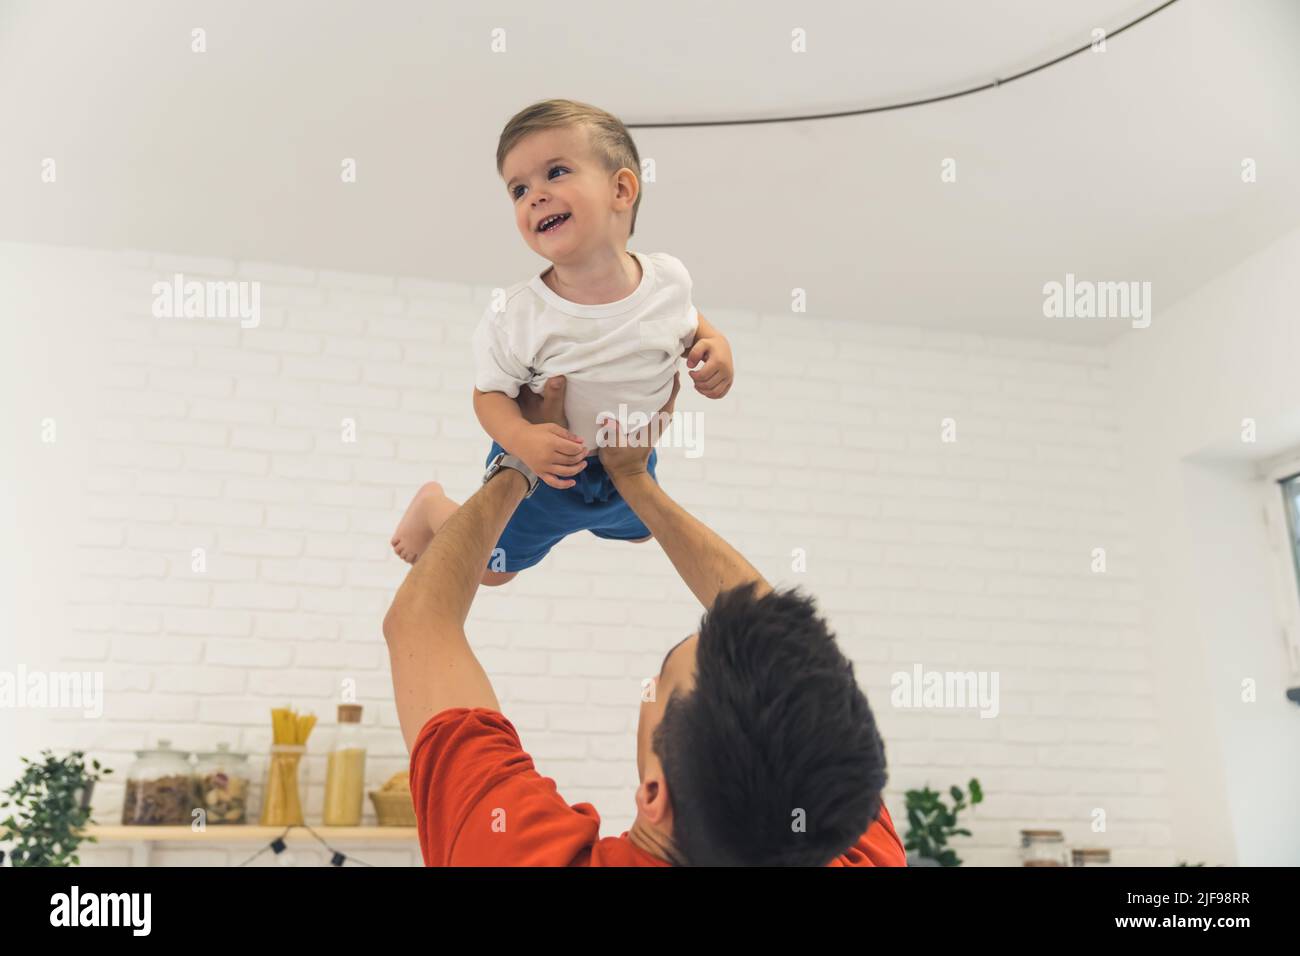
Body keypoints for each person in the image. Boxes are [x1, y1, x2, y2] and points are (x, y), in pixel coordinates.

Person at [382, 376, 904, 866]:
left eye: (657, 686)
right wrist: (633, 480)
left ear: (655, 791)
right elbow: (789, 661)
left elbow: (420, 623)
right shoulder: (834, 826)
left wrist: (518, 459)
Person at [391, 98, 734, 582]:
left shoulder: (669, 278)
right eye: (518, 189)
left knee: (643, 531)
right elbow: (488, 394)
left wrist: (716, 347)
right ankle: (434, 507)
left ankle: (615, 514)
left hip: (628, 459)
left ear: (621, 188)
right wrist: (523, 439)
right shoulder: (518, 314)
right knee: (493, 571)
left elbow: (691, 321)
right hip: (545, 469)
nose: (534, 196)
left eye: (555, 172)